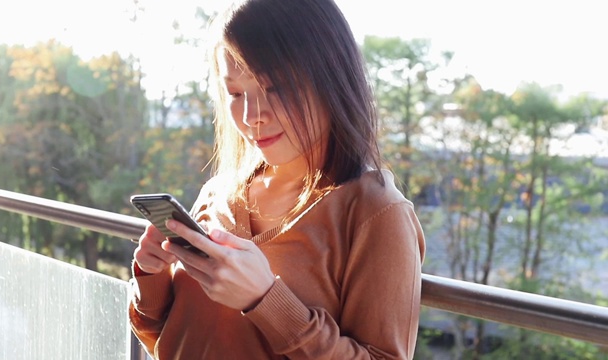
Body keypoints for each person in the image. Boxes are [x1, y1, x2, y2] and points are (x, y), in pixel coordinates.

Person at [128, 0, 426, 358]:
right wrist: (153, 276)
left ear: (331, 78)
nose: (252, 116)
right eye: (236, 94)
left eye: (277, 88)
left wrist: (265, 300)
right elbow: (168, 338)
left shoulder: (375, 212)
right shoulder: (219, 193)